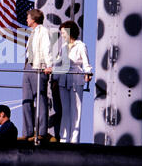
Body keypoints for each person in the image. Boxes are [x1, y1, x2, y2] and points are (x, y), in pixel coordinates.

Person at [55, 20, 92, 143]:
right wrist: (54, 77)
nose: (62, 35)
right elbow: (58, 63)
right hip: (63, 79)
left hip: (76, 78)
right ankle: (64, 138)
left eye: (63, 32)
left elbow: (86, 63)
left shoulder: (81, 46)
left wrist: (88, 73)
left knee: (76, 110)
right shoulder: (63, 47)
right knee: (65, 110)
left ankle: (74, 140)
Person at [21, 9, 53, 142]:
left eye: (28, 18)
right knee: (26, 100)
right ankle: (27, 131)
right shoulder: (32, 33)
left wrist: (49, 65)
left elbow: (47, 48)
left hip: (38, 66)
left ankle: (41, 131)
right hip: (29, 66)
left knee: (40, 99)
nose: (27, 20)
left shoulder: (43, 31)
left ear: (34, 19)